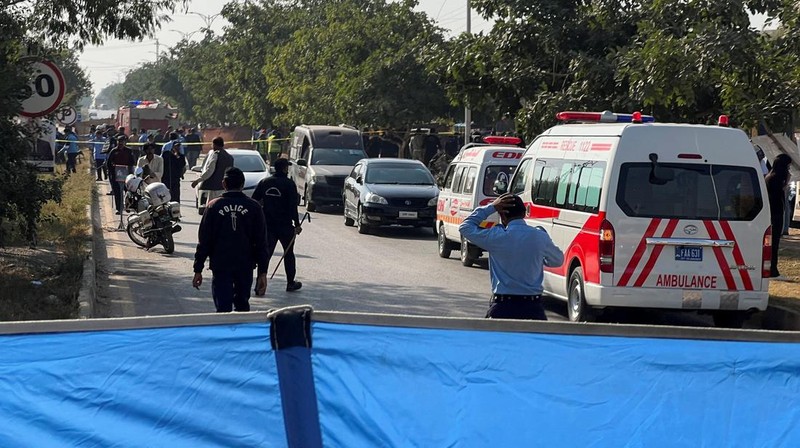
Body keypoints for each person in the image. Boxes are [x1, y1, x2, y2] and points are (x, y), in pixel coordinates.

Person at [459, 194, 564, 320]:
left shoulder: (496, 237)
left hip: (503, 307)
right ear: (524, 213)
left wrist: (491, 207)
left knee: (495, 339)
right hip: (532, 308)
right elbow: (557, 260)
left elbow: (465, 227)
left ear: (502, 215)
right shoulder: (539, 236)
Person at [193, 167, 269, 312]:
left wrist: (198, 269)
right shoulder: (254, 207)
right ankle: (239, 333)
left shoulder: (214, 206)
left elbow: (204, 241)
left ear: (224, 184)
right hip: (245, 264)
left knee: (222, 308)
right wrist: (262, 272)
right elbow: (261, 243)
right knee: (242, 306)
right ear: (243, 184)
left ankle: (225, 332)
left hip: (221, 264)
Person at [251, 158, 304, 292]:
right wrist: (297, 224)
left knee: (265, 255)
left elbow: (254, 201)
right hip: (285, 225)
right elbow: (293, 207)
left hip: (267, 225)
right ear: (285, 168)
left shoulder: (265, 182)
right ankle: (290, 283)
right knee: (288, 254)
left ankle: (259, 284)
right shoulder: (289, 184)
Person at [766, 154, 792, 279]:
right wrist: (786, 182)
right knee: (774, 243)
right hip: (775, 214)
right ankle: (772, 269)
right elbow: (779, 197)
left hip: (772, 213)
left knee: (773, 243)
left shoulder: (770, 177)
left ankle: (772, 268)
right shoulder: (776, 179)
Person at [191, 136, 234, 205]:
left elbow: (209, 171)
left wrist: (198, 181)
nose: (212, 146)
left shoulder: (216, 155)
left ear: (215, 145)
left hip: (215, 188)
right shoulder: (230, 157)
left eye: (212, 144)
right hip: (226, 188)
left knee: (212, 207)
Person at [105, 135, 136, 215]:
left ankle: (127, 207)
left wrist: (128, 169)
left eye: (122, 141)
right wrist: (113, 170)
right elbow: (108, 163)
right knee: (117, 192)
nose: (121, 143)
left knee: (128, 192)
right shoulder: (113, 151)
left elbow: (132, 162)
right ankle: (119, 209)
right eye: (119, 141)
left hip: (127, 176)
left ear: (125, 142)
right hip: (116, 175)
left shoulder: (129, 151)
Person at [161, 139, 186, 203]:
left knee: (175, 195)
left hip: (175, 179)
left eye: (178, 146)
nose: (177, 148)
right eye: (175, 146)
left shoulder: (181, 156)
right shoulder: (166, 154)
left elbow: (182, 165)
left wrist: (177, 155)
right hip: (166, 178)